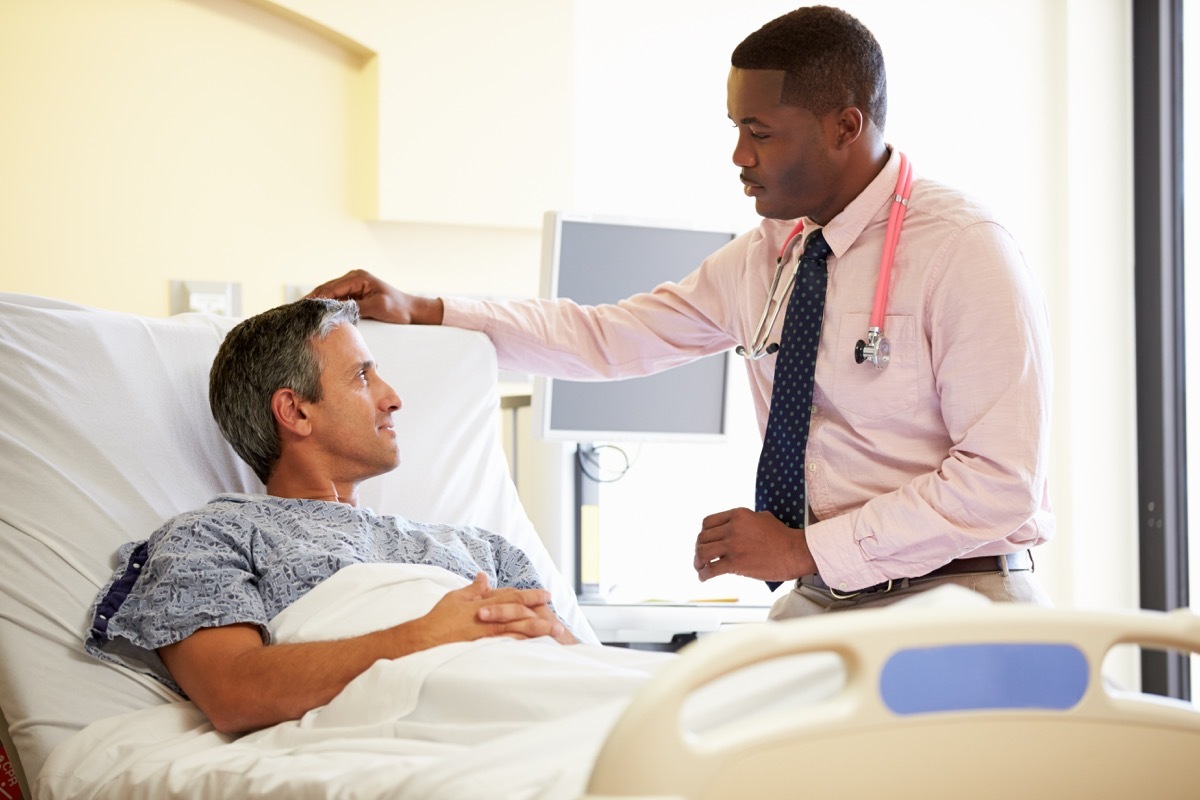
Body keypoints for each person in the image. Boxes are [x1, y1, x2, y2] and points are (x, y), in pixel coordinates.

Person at [309, 5, 1054, 617]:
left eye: (760, 132)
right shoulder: (770, 256)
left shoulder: (961, 250)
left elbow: (1001, 482)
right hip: (824, 600)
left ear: (845, 127)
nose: (739, 156)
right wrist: (425, 309)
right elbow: (606, 338)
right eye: (735, 128)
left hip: (960, 594)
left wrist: (801, 548)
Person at [86, 298, 578, 735]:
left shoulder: (481, 547)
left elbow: (581, 666)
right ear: (295, 412)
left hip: (558, 711)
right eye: (363, 376)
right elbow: (233, 692)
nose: (393, 398)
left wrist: (556, 638)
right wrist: (424, 636)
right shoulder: (210, 537)